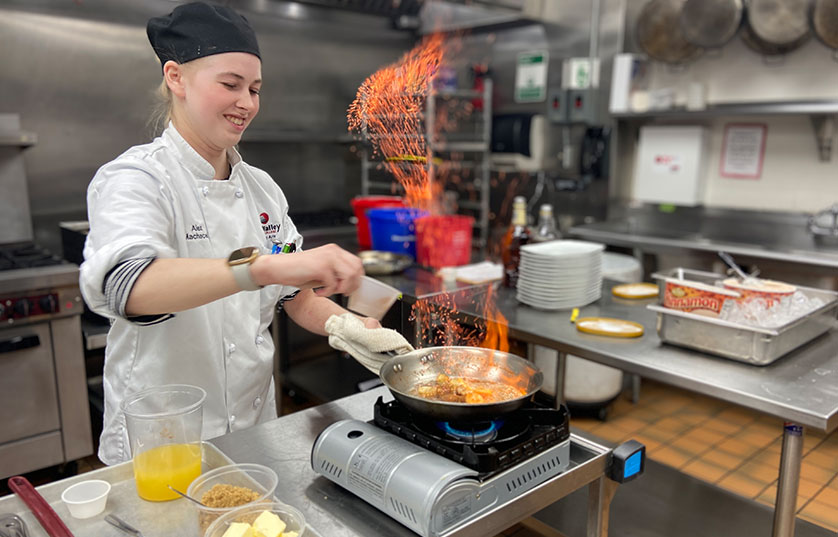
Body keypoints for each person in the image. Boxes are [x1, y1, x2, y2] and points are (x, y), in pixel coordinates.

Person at [80, 2, 377, 465]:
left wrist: (346, 327)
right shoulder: (136, 178)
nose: (247, 103)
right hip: (163, 438)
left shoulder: (261, 189)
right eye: (230, 85)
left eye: (255, 89)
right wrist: (264, 267)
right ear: (176, 78)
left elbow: (290, 295)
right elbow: (130, 287)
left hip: (253, 426)